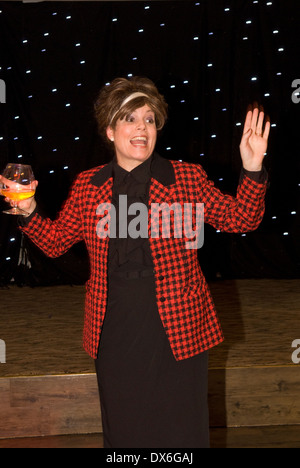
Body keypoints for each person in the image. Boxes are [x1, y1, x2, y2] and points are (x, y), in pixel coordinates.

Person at [0, 76, 270, 448]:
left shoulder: (186, 177)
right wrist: (28, 211)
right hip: (114, 321)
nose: (141, 127)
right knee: (125, 429)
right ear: (110, 131)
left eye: (148, 119)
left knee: (182, 429)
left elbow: (242, 218)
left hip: (178, 321)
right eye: (130, 118)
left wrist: (252, 167)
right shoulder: (87, 185)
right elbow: (56, 242)